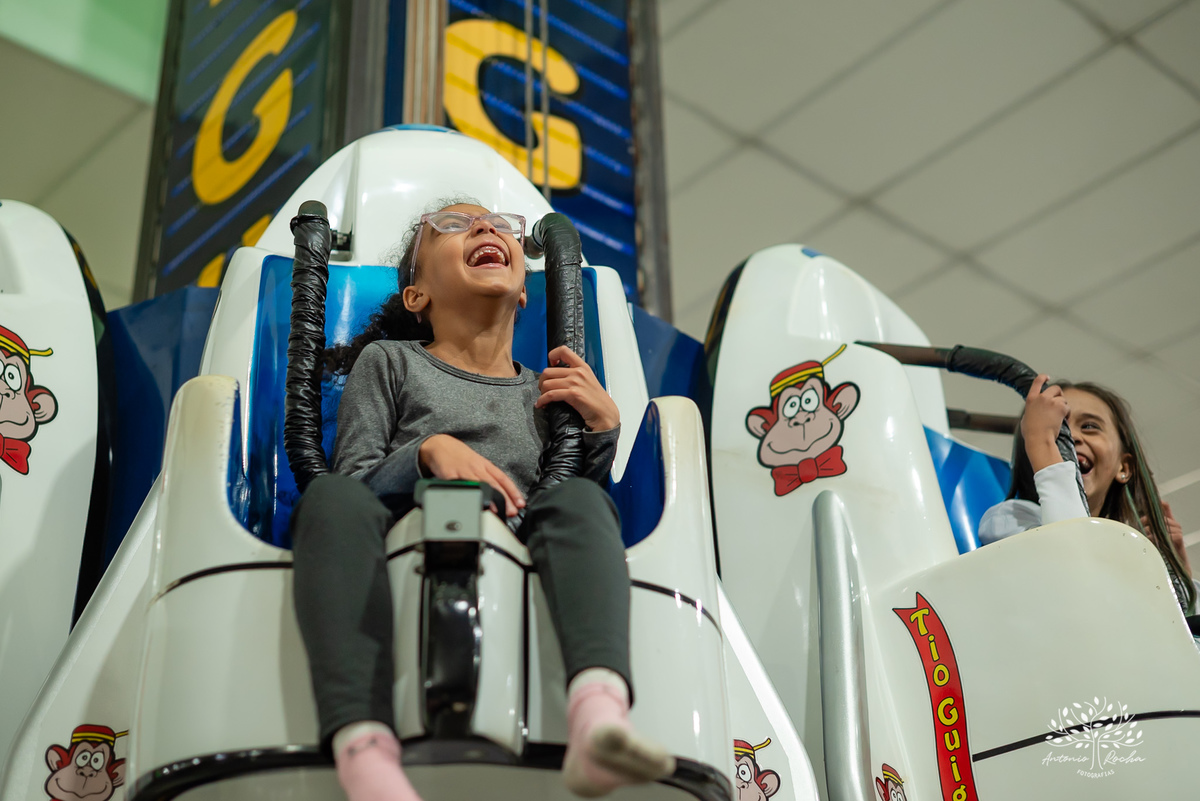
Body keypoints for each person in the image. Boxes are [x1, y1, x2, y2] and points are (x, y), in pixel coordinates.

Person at [289, 200, 674, 801]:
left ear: (525, 293)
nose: (487, 228)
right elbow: (351, 485)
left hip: (513, 559)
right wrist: (426, 453)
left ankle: (598, 716)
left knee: (577, 501)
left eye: (500, 224)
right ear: (416, 296)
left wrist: (600, 431)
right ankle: (365, 752)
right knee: (329, 499)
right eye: (453, 225)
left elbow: (573, 515)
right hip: (401, 554)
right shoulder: (389, 362)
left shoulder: (547, 393)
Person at [979, 376, 1194, 613]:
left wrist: (1177, 573)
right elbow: (1072, 569)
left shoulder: (1129, 548)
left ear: (1124, 467)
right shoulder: (1009, 521)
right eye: (1059, 427)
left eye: (1090, 426)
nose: (1073, 437)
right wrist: (1043, 443)